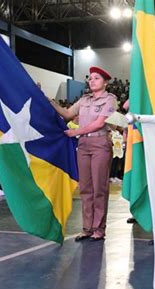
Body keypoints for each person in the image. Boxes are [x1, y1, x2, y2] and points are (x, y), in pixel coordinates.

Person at [51, 66, 116, 241]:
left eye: (96, 78)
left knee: (99, 188)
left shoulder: (110, 100)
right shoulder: (84, 100)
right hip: (84, 144)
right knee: (85, 188)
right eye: (90, 78)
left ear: (105, 82)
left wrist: (76, 132)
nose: (92, 80)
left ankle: (99, 229)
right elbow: (67, 113)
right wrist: (50, 101)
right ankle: (87, 228)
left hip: (100, 143)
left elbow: (99, 123)